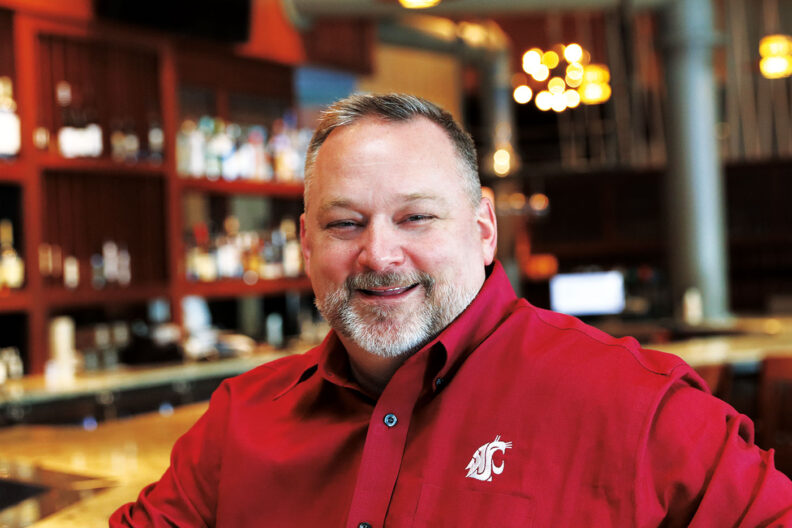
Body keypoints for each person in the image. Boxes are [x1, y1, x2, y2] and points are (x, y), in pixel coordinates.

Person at [111, 93, 792, 527]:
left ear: (484, 227)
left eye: (416, 217)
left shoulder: (636, 407)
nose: (379, 254)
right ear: (305, 245)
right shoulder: (240, 423)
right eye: (345, 224)